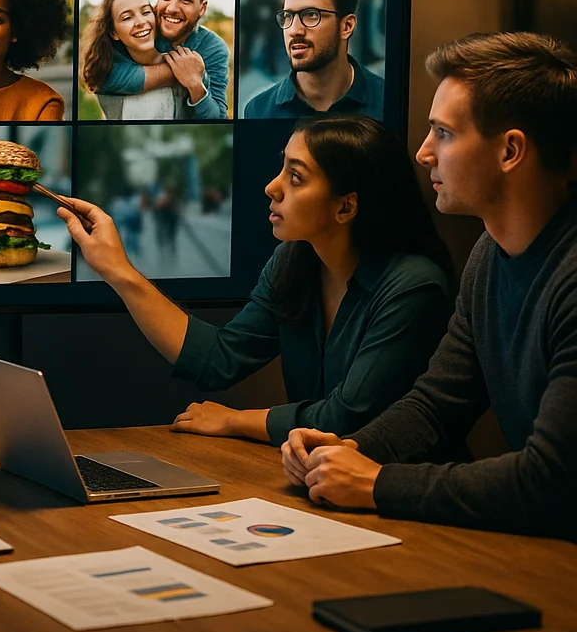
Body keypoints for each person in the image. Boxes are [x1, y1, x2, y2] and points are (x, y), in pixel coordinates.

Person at [281, 32, 577, 541]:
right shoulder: (489, 255)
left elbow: (549, 480)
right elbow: (436, 406)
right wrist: (350, 450)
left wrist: (377, 484)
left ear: (510, 150)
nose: (422, 153)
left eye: (443, 133)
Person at [58, 115, 453, 445]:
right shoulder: (294, 262)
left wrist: (234, 420)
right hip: (316, 478)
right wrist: (118, 271)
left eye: (295, 177)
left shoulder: (413, 287)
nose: (271, 187)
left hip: (399, 494)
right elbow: (218, 359)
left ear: (346, 206)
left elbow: (346, 417)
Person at [243, 0, 384, 119]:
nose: (294, 30)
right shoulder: (259, 110)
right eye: (288, 16)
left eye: (311, 15)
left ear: (347, 26)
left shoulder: (386, 101)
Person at [95, 0, 230, 120]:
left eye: (185, 0)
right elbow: (100, 76)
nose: (172, 8)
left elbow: (218, 118)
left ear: (202, 8)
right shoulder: (142, 28)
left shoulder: (213, 47)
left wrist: (195, 85)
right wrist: (180, 72)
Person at [81, 0, 187, 119]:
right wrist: (186, 71)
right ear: (113, 33)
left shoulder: (180, 50)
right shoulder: (107, 73)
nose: (140, 22)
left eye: (146, 12)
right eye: (127, 18)